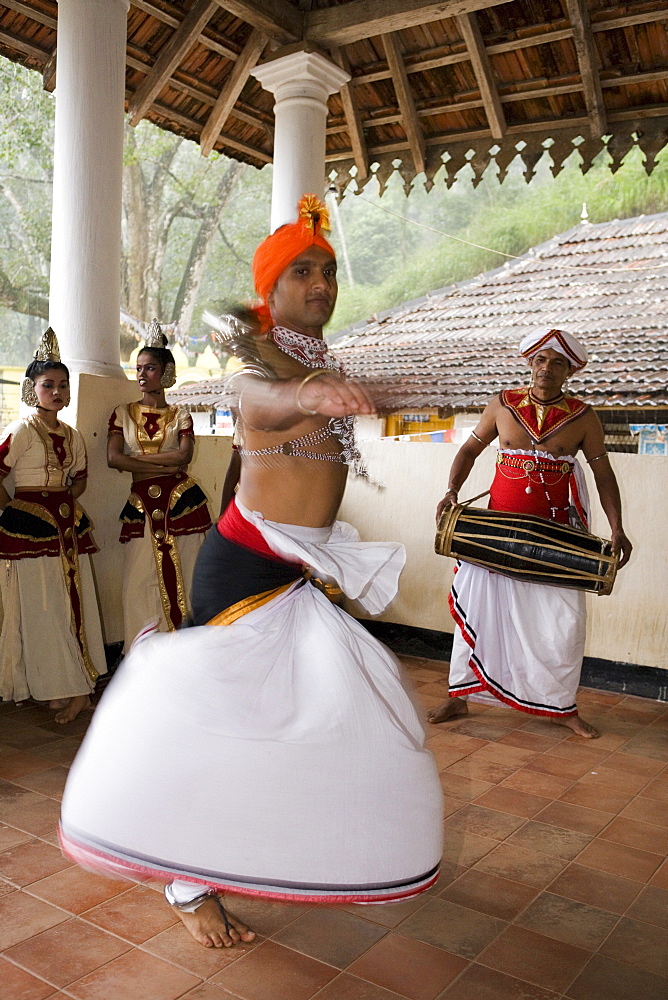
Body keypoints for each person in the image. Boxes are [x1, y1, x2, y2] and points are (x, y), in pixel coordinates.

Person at [60, 195, 443, 950]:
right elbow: (260, 404)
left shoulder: (314, 361)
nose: (322, 283)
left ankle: (282, 846)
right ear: (271, 291)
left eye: (329, 270)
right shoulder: (262, 376)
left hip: (295, 569)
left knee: (328, 715)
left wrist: (323, 386)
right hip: (247, 572)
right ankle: (185, 880)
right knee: (218, 729)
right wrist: (308, 393)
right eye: (303, 271)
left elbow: (280, 414)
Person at [430, 329, 632, 739]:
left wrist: (616, 527)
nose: (546, 368)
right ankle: (460, 694)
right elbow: (468, 451)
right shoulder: (502, 405)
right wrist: (451, 492)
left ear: (569, 370)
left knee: (561, 622)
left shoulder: (583, 417)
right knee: (477, 610)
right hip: (494, 536)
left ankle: (563, 707)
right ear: (530, 363)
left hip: (556, 540)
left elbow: (603, 475)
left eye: (557, 362)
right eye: (541, 359)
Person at [0, 329, 106, 723]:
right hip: (29, 528)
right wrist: (18, 509)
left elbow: (79, 478)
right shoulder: (22, 429)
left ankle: (77, 686)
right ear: (32, 389)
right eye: (49, 385)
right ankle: (54, 686)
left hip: (65, 526)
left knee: (70, 603)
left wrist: (64, 499)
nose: (57, 392)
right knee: (42, 606)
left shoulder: (73, 435)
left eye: (63, 386)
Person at [107, 322, 211, 650]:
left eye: (149, 368)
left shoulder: (180, 414)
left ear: (166, 373)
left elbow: (185, 456)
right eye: (138, 368)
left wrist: (140, 460)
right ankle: (143, 654)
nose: (141, 375)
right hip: (142, 503)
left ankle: (188, 650)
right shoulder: (122, 414)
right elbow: (114, 459)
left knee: (190, 574)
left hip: (182, 503)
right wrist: (164, 461)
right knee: (137, 583)